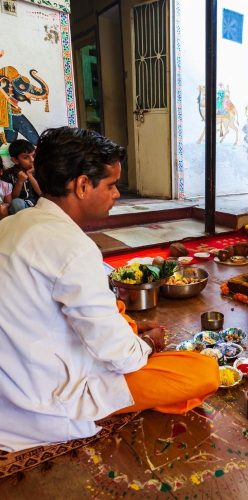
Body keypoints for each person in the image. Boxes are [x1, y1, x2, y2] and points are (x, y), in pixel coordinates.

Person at [0, 127, 218, 452]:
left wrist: (125, 328)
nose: (117, 194)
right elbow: (124, 360)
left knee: (118, 316)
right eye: (112, 185)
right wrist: (144, 343)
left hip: (10, 384)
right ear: (82, 185)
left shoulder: (10, 224)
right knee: (203, 371)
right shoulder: (73, 248)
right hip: (45, 403)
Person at [2, 139, 40, 214]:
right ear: (15, 160)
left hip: (38, 205)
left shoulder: (39, 170)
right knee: (16, 202)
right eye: (26, 157)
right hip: (21, 208)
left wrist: (30, 176)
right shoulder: (8, 174)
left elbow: (41, 193)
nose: (32, 160)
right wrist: (20, 181)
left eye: (33, 156)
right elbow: (12, 199)